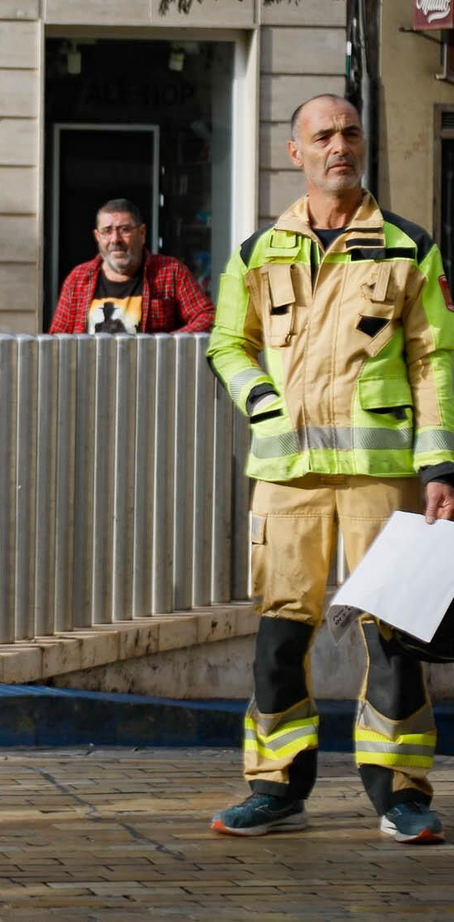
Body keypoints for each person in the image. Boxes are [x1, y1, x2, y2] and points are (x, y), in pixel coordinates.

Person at [207, 93, 454, 844]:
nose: (338, 145)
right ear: (296, 152)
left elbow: (434, 359)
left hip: (382, 471)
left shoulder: (409, 247)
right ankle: (276, 787)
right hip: (288, 472)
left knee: (394, 633)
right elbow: (227, 343)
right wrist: (264, 404)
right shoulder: (258, 251)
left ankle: (401, 793)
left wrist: (440, 466)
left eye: (349, 133)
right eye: (322, 136)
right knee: (281, 633)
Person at [49, 198, 215, 333]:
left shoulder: (171, 272)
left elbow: (207, 317)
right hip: (91, 366)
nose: (115, 239)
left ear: (142, 233)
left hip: (151, 366)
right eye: (107, 231)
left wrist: (166, 346)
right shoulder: (78, 279)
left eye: (124, 230)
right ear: (97, 237)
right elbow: (57, 339)